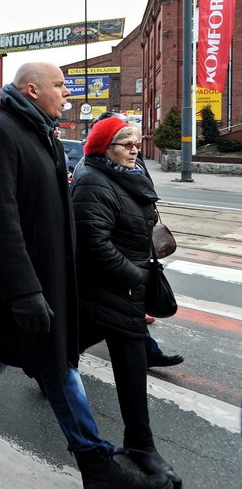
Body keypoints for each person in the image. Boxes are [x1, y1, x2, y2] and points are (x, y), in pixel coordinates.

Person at [0, 62, 170, 489]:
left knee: (51, 365)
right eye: (60, 86)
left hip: (48, 284)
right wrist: (25, 290)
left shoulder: (41, 131)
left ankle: (93, 462)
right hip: (14, 289)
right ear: (32, 89)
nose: (67, 93)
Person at [71, 117, 182, 486]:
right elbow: (93, 242)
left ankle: (140, 443)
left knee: (124, 360)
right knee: (123, 360)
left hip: (125, 289)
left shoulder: (130, 173)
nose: (135, 149)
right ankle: (141, 444)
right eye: (126, 143)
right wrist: (135, 276)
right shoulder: (92, 180)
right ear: (105, 148)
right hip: (111, 287)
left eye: (136, 143)